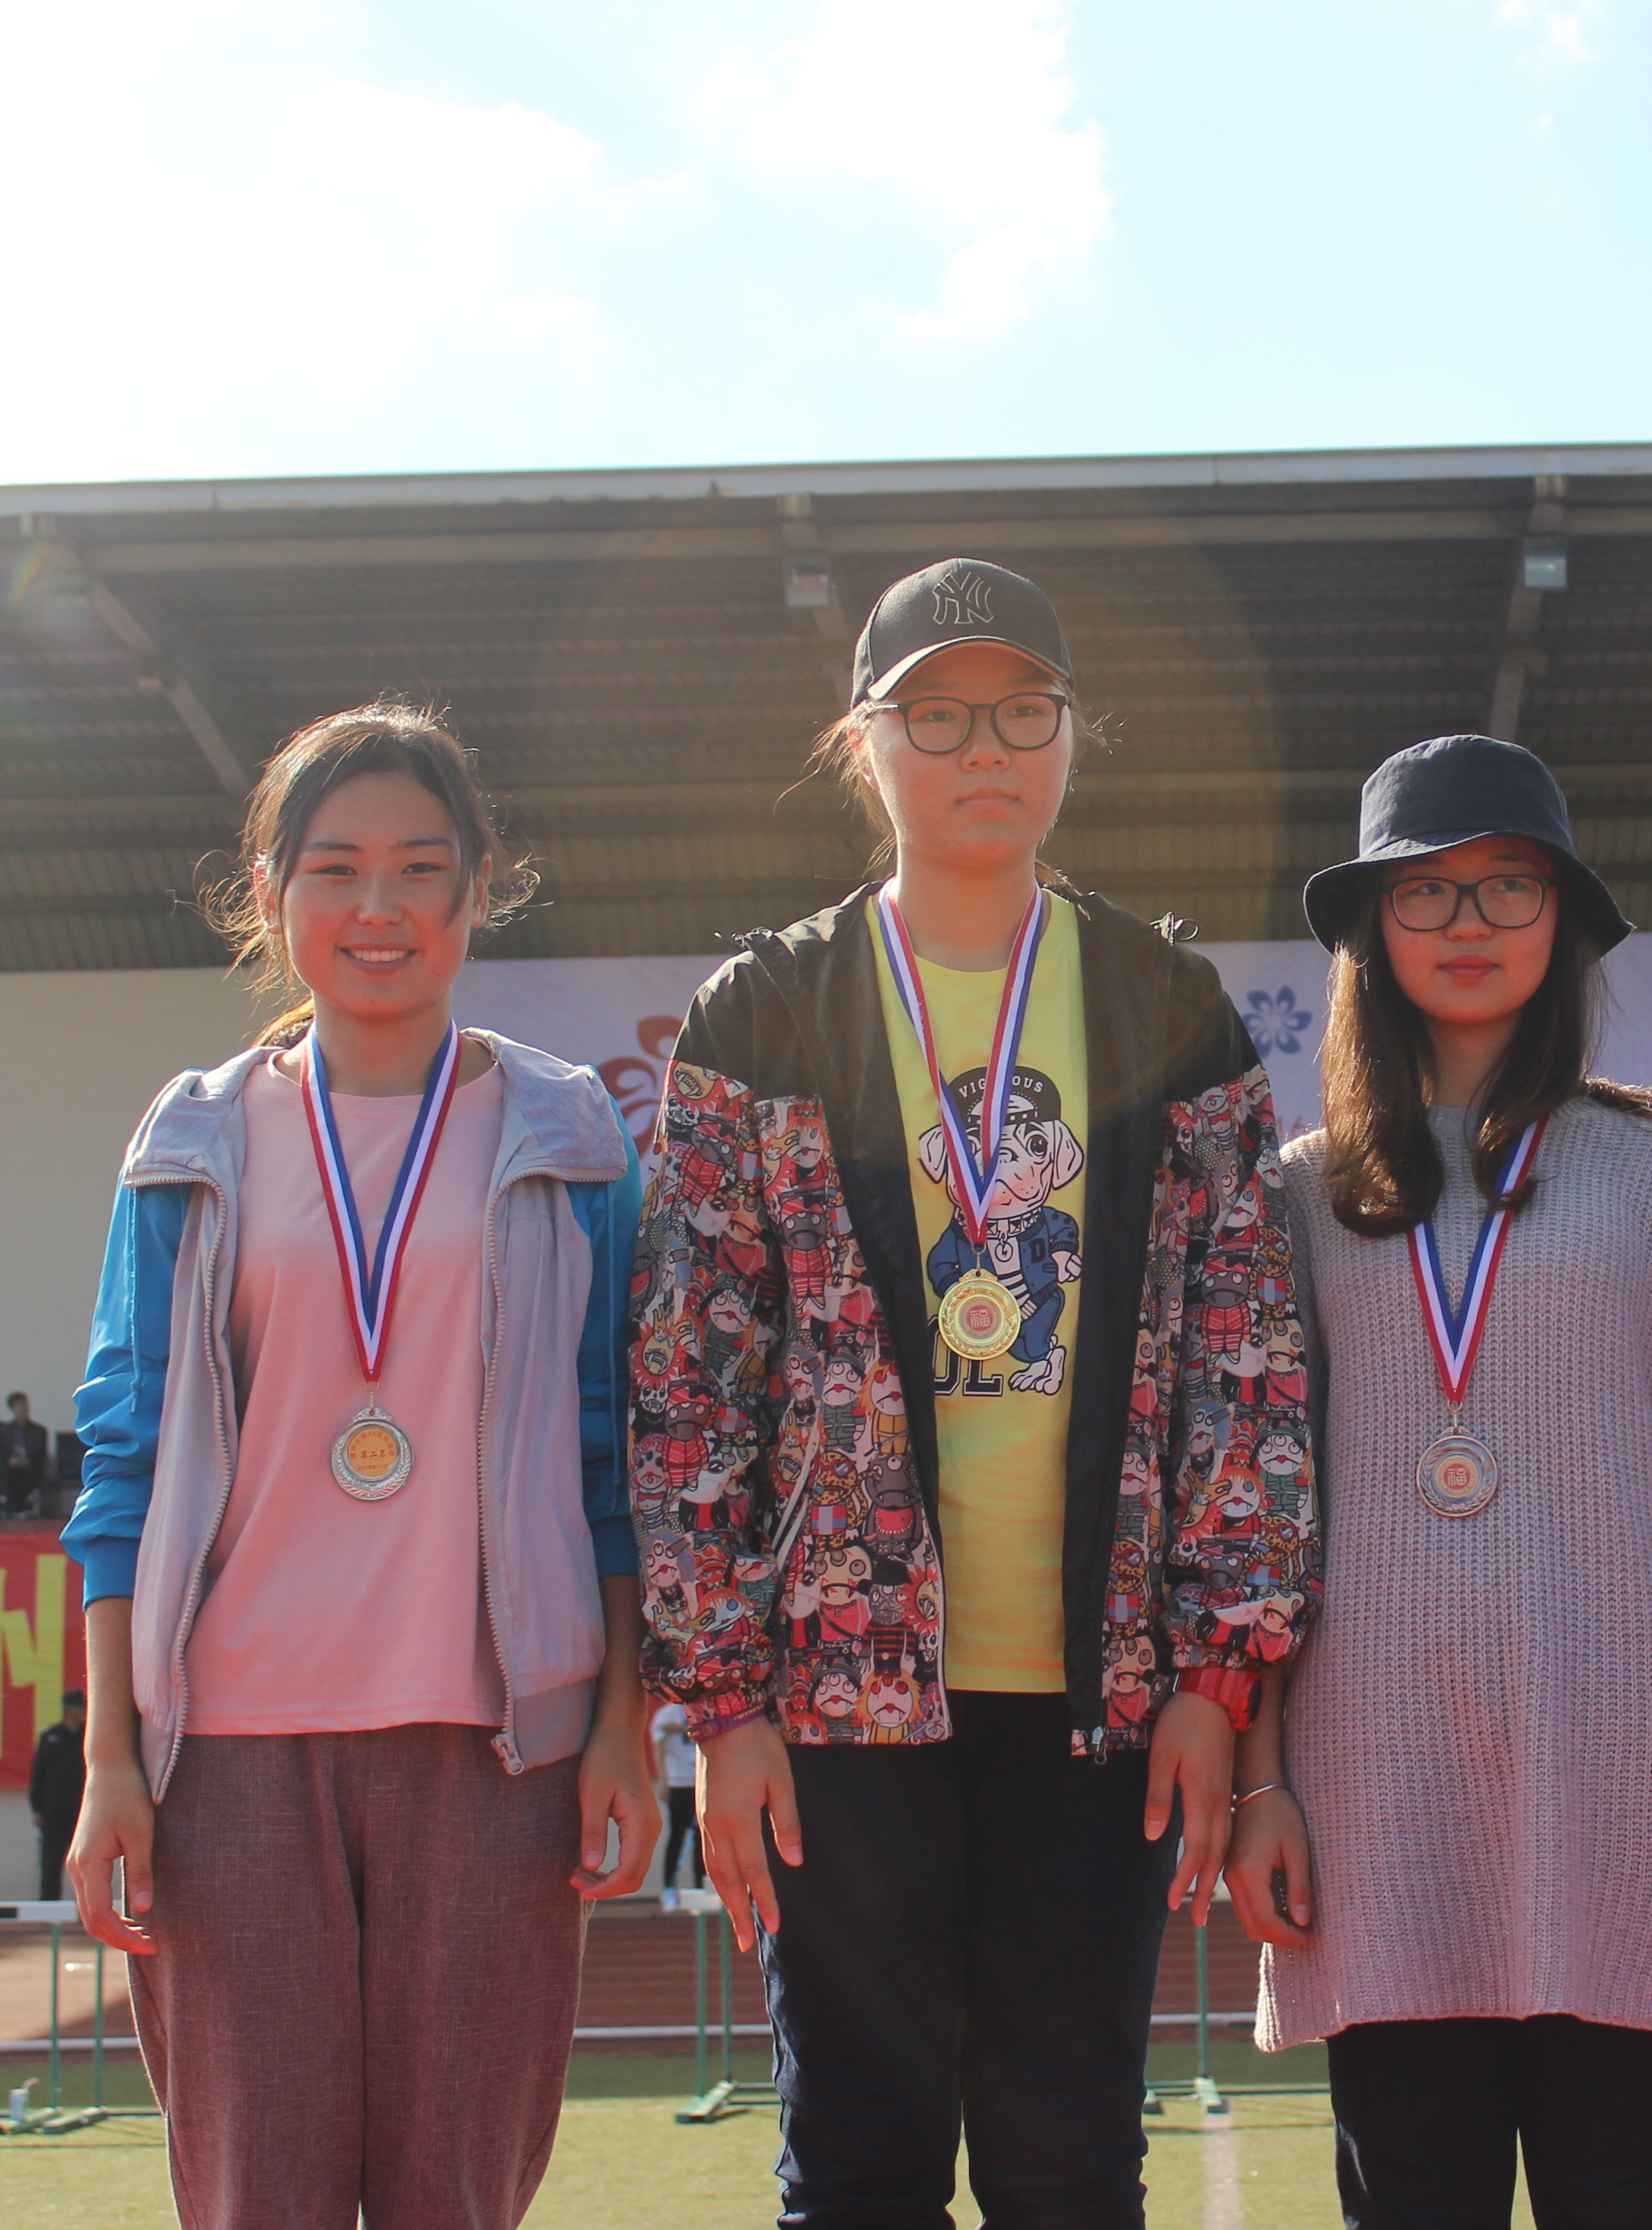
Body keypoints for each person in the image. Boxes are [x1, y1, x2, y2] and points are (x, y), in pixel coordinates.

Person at [628, 559, 1316, 2229]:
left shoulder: (1161, 1003)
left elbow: (1246, 1353)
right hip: (836, 1694)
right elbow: (689, 1376)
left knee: (1068, 2164)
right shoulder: (766, 1011)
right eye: (934, 715)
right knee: (857, 2165)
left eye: (1021, 710)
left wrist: (1215, 1675)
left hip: (1103, 1691)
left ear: (1073, 735)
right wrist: (722, 1703)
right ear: (864, 741)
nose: (983, 747)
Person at [1233, 738, 1652, 2230]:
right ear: (1371, 932)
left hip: (1627, 1777)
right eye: (1427, 889)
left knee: (1626, 2196)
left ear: (1563, 920)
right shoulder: (1296, 1194)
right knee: (1411, 2201)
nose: (1468, 920)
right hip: (1374, 1785)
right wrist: (1261, 1784)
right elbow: (1257, 1527)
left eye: (1509, 885)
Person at [61, 700, 660, 2230]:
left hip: (496, 1743)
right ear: (270, 896)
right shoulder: (194, 1139)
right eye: (332, 868)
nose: (376, 905)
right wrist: (112, 1760)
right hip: (232, 1750)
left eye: (417, 866)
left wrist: (620, 1722)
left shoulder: (571, 1135)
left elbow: (617, 1450)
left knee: (456, 2198)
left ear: (479, 888)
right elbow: (121, 1460)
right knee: (258, 2198)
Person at [27, 1690, 85, 1901]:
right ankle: (49, 1909)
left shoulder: (89, 1735)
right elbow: (38, 1775)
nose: (83, 1712)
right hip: (55, 1809)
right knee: (51, 1861)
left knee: (84, 1861)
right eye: (79, 1707)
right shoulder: (51, 1736)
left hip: (82, 1809)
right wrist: (37, 1809)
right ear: (68, 1709)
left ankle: (87, 1910)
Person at [649, 1701, 697, 1893]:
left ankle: (701, 1888)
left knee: (702, 1840)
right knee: (677, 1836)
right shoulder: (666, 1714)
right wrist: (663, 1781)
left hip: (701, 1783)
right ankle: (669, 1888)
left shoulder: (706, 1709)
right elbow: (659, 1744)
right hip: (678, 1783)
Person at [0, 1391, 56, 1517]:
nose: (24, 1408)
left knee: (28, 1477)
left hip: (31, 1467)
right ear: (13, 1409)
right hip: (11, 1467)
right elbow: (0, 1453)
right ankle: (18, 1510)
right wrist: (10, 1461)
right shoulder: (4, 1431)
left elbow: (41, 1454)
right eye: (19, 1405)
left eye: (25, 1405)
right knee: (8, 1476)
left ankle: (14, 1511)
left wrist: (28, 1461)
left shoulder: (40, 1431)